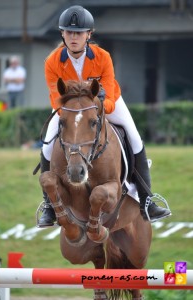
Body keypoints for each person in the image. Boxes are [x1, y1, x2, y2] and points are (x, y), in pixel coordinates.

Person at [37, 5, 171, 227]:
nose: (73, 37)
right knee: (47, 146)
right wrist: (76, 112)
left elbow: (107, 93)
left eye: (79, 33)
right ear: (62, 33)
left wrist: (97, 107)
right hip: (69, 109)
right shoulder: (52, 61)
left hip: (107, 103)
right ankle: (49, 206)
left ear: (89, 34)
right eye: (69, 32)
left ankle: (147, 200)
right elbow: (55, 98)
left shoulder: (103, 57)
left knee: (134, 136)